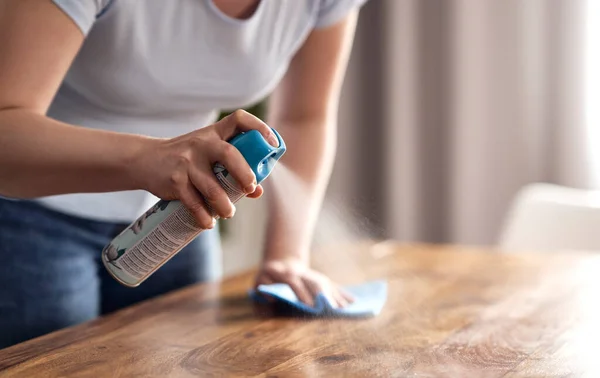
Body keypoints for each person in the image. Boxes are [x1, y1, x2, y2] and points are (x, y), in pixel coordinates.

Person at [0, 0, 366, 349]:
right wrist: (149, 158)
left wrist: (287, 255)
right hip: (33, 222)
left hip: (178, 224)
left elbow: (305, 119)